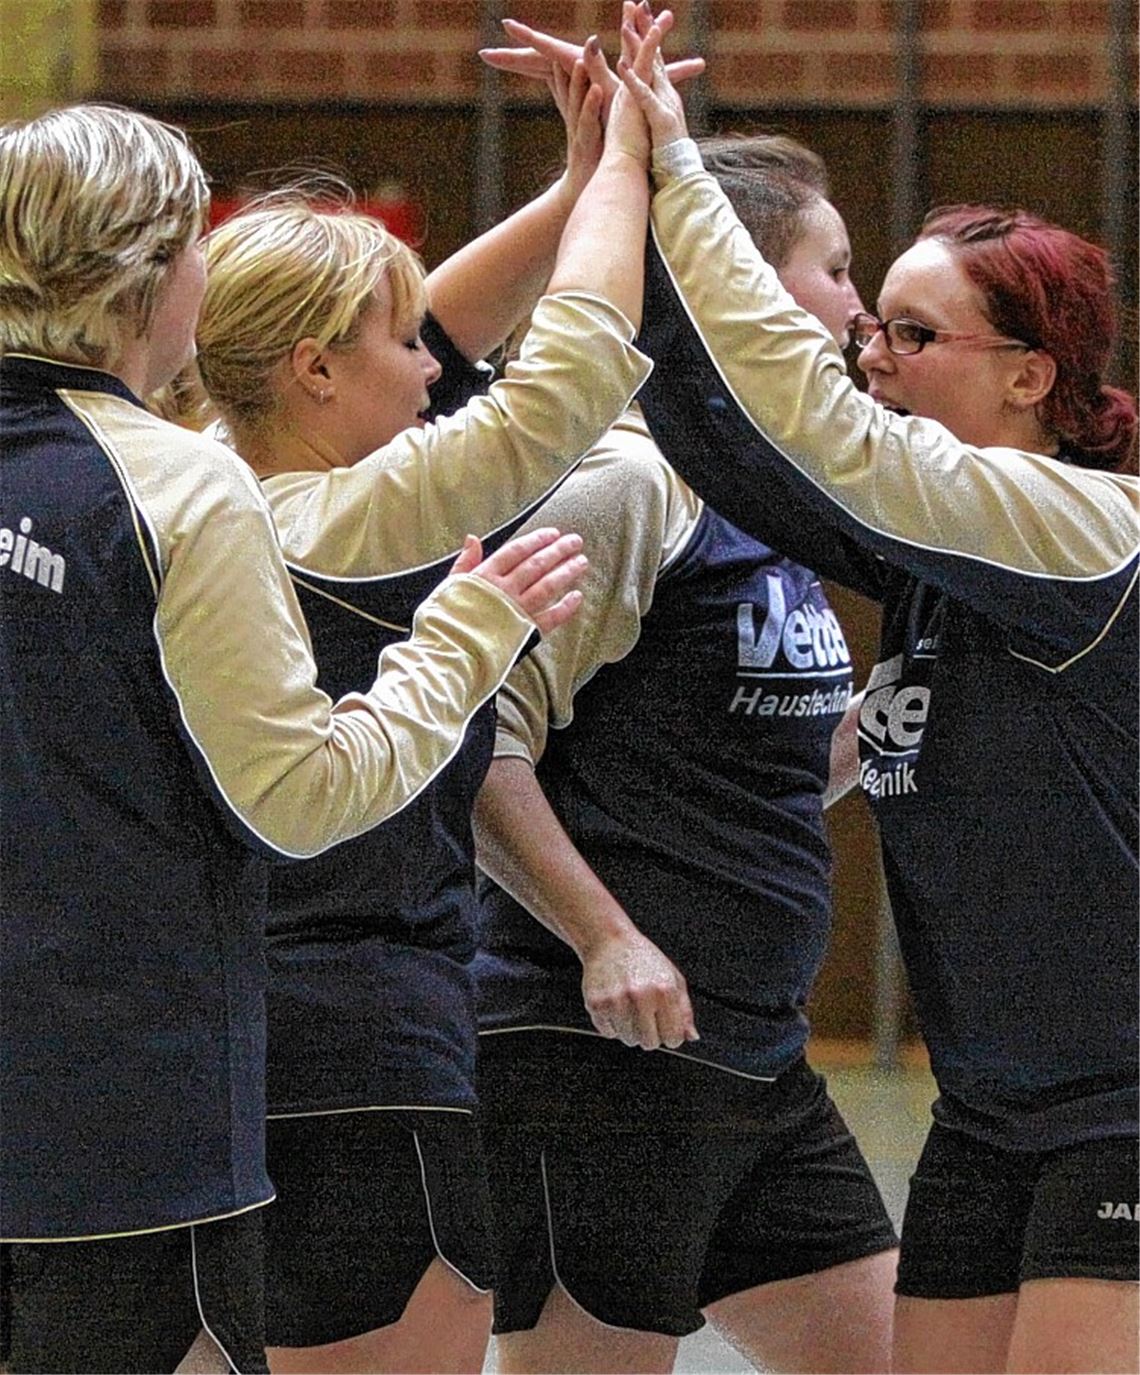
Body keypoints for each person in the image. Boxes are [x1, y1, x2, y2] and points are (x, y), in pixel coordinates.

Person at [0, 102, 589, 1375]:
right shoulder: (174, 485)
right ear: (150, 273)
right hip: (123, 1119)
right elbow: (299, 798)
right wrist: (465, 636)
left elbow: (420, 340)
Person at [618, 15, 1139, 1373]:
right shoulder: (929, 563)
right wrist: (616, 202)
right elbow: (734, 443)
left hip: (1122, 1104)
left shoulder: (1081, 529)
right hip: (990, 1109)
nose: (872, 349)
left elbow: (819, 432)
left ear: (1030, 373)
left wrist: (679, 169)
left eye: (913, 330)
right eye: (870, 321)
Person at [190, 50, 657, 1375]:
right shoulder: (367, 514)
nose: (432, 373)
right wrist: (627, 165)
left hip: (210, 1043)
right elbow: (570, 374)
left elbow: (436, 333)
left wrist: (566, 186)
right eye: (398, 349)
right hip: (367, 1049)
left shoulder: (197, 483)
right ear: (311, 371)